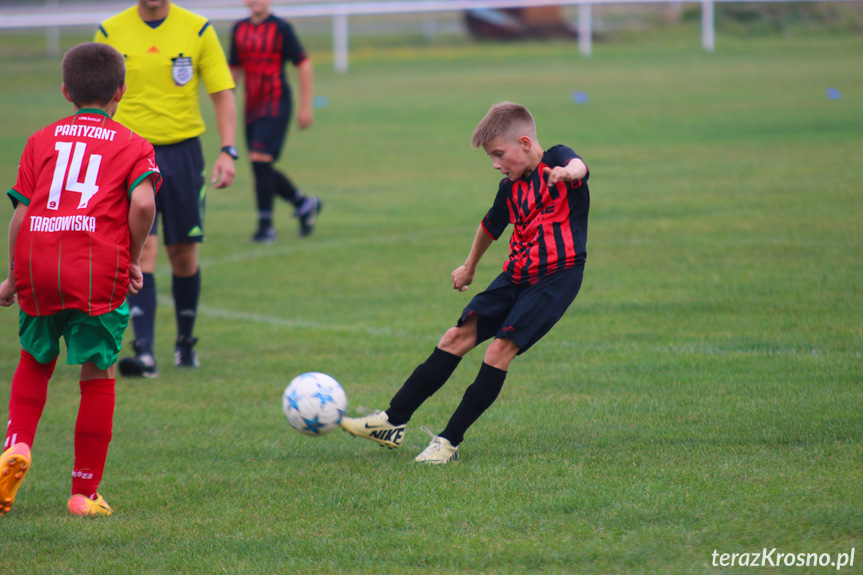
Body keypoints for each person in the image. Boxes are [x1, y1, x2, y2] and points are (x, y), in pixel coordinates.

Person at [340, 102, 590, 464]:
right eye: (491, 157)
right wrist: (470, 266)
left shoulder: (558, 160)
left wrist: (569, 174)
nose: (496, 164)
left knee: (498, 350)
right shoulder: (510, 187)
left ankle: (449, 442)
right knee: (455, 337)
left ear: (524, 142)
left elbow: (579, 165)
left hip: (556, 277)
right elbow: (491, 225)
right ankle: (392, 422)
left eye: (499, 154)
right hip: (516, 274)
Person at [0, 43, 160, 516]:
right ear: (122, 91)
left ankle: (17, 444)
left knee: (34, 360)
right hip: (95, 270)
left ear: (66, 91)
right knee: (98, 375)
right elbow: (145, 204)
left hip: (37, 262)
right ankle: (83, 493)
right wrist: (131, 259)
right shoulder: (133, 144)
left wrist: (11, 277)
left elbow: (20, 215)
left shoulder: (40, 140)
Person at [95, 0, 237, 377]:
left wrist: (228, 150)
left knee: (183, 255)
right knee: (143, 251)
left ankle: (185, 343)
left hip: (183, 152)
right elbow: (94, 98)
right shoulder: (111, 31)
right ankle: (144, 352)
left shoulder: (198, 29)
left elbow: (222, 92)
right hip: (128, 153)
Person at [229, 0, 322, 243]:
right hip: (251, 106)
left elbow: (304, 63)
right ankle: (303, 203)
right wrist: (226, 103)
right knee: (260, 166)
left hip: (277, 102)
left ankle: (266, 226)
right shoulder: (238, 29)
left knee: (259, 158)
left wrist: (306, 105)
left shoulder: (281, 28)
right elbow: (234, 69)